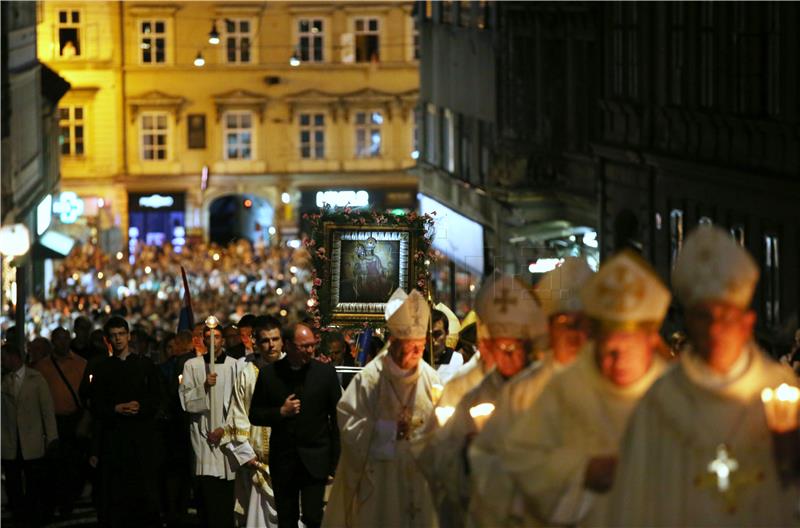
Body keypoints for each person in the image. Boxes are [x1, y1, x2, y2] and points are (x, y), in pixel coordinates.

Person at [608, 226, 799, 526]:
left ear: (748, 323)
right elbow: (632, 505)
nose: (715, 329)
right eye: (703, 316)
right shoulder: (659, 403)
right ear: (687, 323)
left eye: (726, 315)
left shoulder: (782, 392)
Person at [503, 250, 670, 526]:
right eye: (609, 349)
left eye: (627, 346)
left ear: (650, 341)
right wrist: (582, 470)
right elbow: (520, 457)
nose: (616, 360)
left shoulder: (675, 393)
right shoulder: (566, 388)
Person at [468, 257, 593, 527]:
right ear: (548, 327)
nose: (576, 334)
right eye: (565, 322)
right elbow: (484, 459)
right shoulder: (520, 393)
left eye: (584, 323)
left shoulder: (612, 389)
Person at [423, 274, 548, 528]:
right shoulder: (469, 395)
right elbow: (434, 455)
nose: (504, 356)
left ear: (528, 347)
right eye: (496, 347)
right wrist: (465, 452)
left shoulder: (548, 390)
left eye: (512, 349)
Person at [324, 289, 441, 527]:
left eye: (420, 347)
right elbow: (348, 424)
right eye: (410, 347)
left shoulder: (430, 379)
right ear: (395, 342)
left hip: (419, 480)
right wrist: (388, 431)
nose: (416, 353)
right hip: (380, 480)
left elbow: (442, 424)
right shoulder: (369, 379)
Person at [249, 322, 342, 528]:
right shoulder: (269, 375)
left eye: (312, 345)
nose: (310, 350)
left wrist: (335, 463)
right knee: (287, 519)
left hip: (316, 458)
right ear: (289, 345)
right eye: (304, 346)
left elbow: (337, 420)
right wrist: (280, 412)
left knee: (313, 516)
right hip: (284, 460)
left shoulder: (324, 373)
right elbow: (255, 415)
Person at [91, 316, 163, 527]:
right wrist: (115, 408)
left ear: (129, 336)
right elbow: (95, 404)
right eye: (113, 336)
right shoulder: (103, 368)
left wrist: (141, 406)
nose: (118, 339)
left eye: (121, 334)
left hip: (141, 439)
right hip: (115, 441)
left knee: (143, 495)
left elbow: (157, 398)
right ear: (107, 340)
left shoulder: (145, 365)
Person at [221, 316, 284, 528]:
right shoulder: (247, 375)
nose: (271, 345)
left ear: (283, 341)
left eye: (275, 339)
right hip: (259, 466)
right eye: (265, 340)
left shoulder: (295, 370)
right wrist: (246, 455)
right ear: (255, 342)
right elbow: (237, 414)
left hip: (292, 463)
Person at [180, 319, 240, 528]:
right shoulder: (192, 366)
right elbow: (186, 401)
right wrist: (204, 386)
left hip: (227, 436)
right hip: (203, 438)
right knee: (206, 495)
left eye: (217, 336)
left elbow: (238, 403)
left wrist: (224, 428)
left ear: (223, 340)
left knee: (226, 497)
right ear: (202, 340)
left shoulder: (235, 365)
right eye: (208, 337)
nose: (213, 340)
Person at [1, 344, 58, 527]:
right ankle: (21, 515)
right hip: (11, 440)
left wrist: (51, 437)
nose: (2, 361)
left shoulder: (36, 379)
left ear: (14, 357)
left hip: (31, 440)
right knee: (13, 484)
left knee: (34, 483)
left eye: (4, 357)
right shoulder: (4, 380)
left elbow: (47, 410)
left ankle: (33, 516)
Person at [34, 326, 88, 517]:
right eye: (59, 339)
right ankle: (53, 501)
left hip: (73, 419)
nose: (63, 343)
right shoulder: (42, 367)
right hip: (51, 420)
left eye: (66, 339)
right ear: (53, 341)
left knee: (71, 464)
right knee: (52, 465)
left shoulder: (81, 364)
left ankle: (67, 502)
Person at [432, 304, 464, 384]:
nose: (433, 340)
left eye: (437, 334)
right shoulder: (418, 362)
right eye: (428, 335)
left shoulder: (457, 360)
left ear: (447, 333)